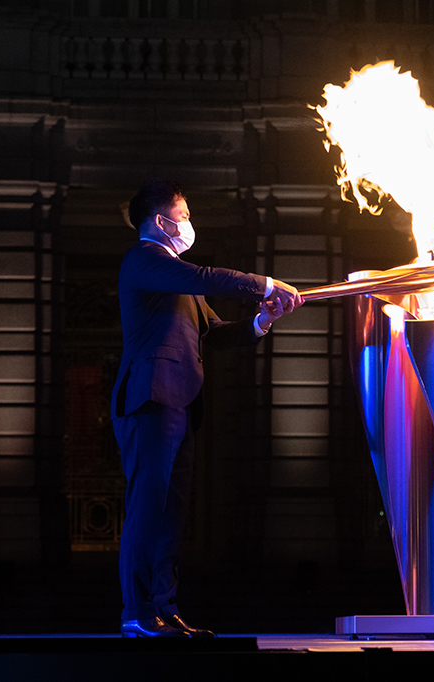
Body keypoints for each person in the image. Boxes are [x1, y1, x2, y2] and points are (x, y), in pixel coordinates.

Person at [111, 179, 303, 637]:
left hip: (179, 402)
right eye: (185, 214)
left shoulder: (175, 274)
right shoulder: (146, 261)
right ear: (161, 221)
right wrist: (265, 284)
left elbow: (213, 334)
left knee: (172, 512)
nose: (189, 223)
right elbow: (203, 277)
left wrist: (261, 320)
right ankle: (137, 613)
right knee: (147, 508)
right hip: (150, 400)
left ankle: (165, 608)